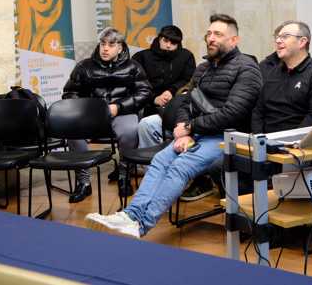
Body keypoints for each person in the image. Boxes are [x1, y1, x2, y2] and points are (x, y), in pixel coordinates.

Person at [85, 14, 262, 238]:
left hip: (227, 137)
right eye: (209, 33)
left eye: (218, 34)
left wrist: (190, 128)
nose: (211, 38)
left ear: (234, 40)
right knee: (160, 160)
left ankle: (141, 226)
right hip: (198, 133)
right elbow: (185, 101)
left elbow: (233, 113)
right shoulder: (203, 68)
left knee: (181, 166)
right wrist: (184, 131)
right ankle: (130, 215)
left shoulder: (247, 68)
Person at [62, 27, 152, 202]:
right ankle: (83, 182)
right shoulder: (84, 66)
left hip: (122, 113)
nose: (105, 48)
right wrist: (86, 110)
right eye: (103, 44)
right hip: (91, 115)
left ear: (120, 47)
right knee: (72, 130)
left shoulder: (133, 66)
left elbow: (145, 92)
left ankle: (124, 175)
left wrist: (119, 107)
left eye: (111, 44)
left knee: (130, 130)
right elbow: (70, 93)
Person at [251, 21, 312, 134]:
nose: (278, 41)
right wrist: (259, 138)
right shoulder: (272, 72)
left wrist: (290, 140)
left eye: (285, 36)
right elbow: (258, 111)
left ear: (302, 42)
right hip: (265, 140)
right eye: (278, 37)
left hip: (297, 141)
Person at [133, 25, 196, 146]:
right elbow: (137, 85)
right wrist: (154, 99)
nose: (168, 45)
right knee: (146, 125)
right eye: (165, 41)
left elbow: (188, 80)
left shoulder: (186, 56)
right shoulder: (141, 57)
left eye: (173, 43)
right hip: (149, 105)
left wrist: (172, 91)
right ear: (159, 38)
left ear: (178, 43)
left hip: (178, 104)